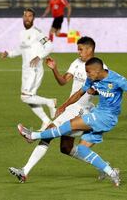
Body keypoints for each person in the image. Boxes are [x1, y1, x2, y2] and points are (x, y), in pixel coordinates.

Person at [17, 57, 127, 187]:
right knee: (82, 149)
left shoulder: (117, 79)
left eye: (89, 72)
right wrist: (64, 105)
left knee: (69, 125)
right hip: (98, 114)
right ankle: (112, 173)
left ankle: (32, 135)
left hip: (106, 117)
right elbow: (79, 93)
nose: (87, 75)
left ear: (97, 70)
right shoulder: (92, 78)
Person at [9, 37, 108, 183]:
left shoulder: (100, 67)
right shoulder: (76, 63)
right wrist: (54, 68)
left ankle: (26, 163)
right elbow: (63, 81)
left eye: (81, 49)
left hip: (81, 110)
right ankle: (103, 167)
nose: (78, 52)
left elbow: (107, 89)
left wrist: (96, 92)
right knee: (66, 148)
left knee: (48, 133)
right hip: (71, 106)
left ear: (90, 49)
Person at [1, 8, 56, 129]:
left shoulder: (37, 32)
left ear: (33, 18)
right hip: (26, 70)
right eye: (25, 16)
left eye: (30, 16)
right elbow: (21, 49)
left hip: (34, 70)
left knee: (25, 97)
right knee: (30, 98)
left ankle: (50, 102)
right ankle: (46, 121)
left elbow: (50, 46)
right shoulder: (22, 33)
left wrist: (38, 57)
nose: (27, 18)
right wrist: (9, 54)